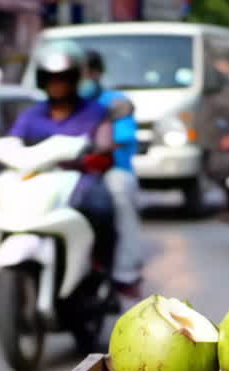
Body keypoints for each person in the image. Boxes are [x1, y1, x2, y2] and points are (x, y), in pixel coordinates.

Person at [7, 41, 125, 287]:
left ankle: (102, 272)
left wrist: (97, 152)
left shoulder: (95, 112)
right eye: (52, 78)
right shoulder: (31, 114)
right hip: (38, 181)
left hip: (80, 180)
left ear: (75, 79)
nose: (57, 84)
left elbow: (105, 144)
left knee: (102, 208)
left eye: (64, 78)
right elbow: (12, 143)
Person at [81, 48, 144, 295]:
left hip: (111, 171)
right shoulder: (64, 103)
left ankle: (125, 273)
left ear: (96, 73)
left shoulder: (116, 104)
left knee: (120, 194)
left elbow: (122, 137)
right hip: (71, 172)